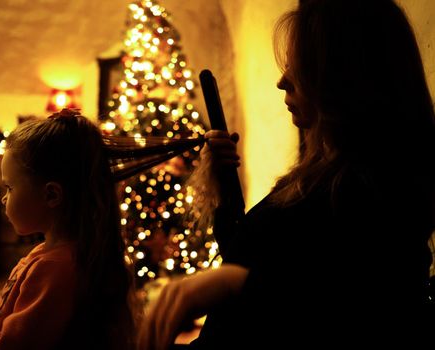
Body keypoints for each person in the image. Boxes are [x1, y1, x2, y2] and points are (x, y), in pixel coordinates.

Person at [138, 0, 435, 348]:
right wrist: (224, 191)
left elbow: (352, 311)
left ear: (342, 76)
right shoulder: (321, 172)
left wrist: (237, 284)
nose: (282, 82)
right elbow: (262, 258)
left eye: (298, 67)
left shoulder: (376, 193)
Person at [0, 108, 140, 349]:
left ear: (51, 194)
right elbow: (21, 317)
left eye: (9, 187)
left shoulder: (55, 268)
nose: (4, 199)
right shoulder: (49, 253)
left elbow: (7, 346)